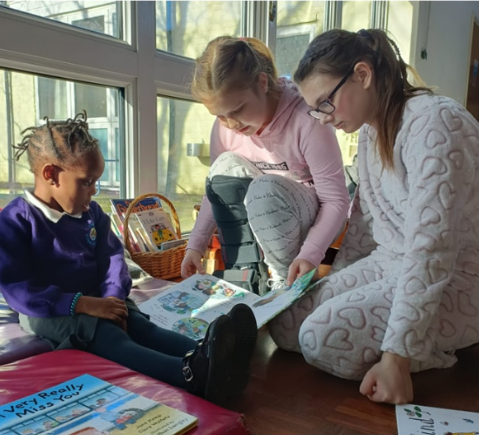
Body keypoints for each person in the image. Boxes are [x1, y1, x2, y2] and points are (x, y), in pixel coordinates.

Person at [268, 28, 479, 405]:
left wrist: (397, 355)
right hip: (392, 263)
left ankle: (427, 354)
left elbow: (432, 249)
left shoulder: (436, 122)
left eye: (325, 104)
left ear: (362, 75)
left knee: (319, 338)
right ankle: (399, 343)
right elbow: (365, 225)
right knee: (285, 324)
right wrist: (336, 281)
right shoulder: (369, 134)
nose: (321, 119)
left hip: (456, 275)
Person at [0, 112, 258, 407]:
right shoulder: (14, 222)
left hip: (100, 299)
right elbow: (20, 291)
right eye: (87, 182)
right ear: (50, 175)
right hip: (51, 311)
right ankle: (189, 375)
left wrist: (114, 300)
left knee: (143, 328)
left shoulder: (92, 214)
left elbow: (112, 258)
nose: (94, 191)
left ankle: (217, 358)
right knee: (111, 338)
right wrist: (83, 304)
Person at [181, 36, 350, 292]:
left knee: (264, 189)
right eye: (219, 115)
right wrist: (195, 244)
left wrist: (310, 255)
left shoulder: (306, 120)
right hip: (259, 218)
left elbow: (336, 201)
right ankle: (245, 270)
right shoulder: (225, 128)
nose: (231, 124)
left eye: (237, 109)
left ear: (262, 83)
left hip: (302, 215)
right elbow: (214, 190)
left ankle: (283, 282)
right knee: (224, 167)